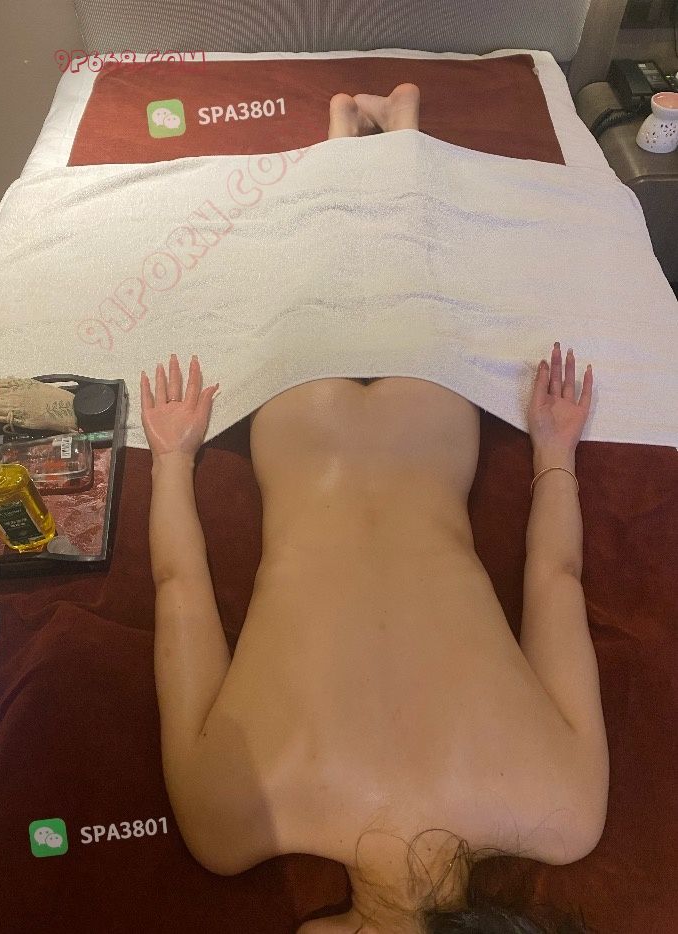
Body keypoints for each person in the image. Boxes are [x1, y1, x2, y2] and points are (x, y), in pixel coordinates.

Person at [139, 85, 609, 934]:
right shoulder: (228, 820)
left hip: (428, 432)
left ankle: (394, 130)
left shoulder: (566, 812)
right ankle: (351, 136)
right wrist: (172, 458)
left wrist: (553, 449)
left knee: (401, 262)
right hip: (303, 430)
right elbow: (178, 587)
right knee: (322, 263)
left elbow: (559, 579)